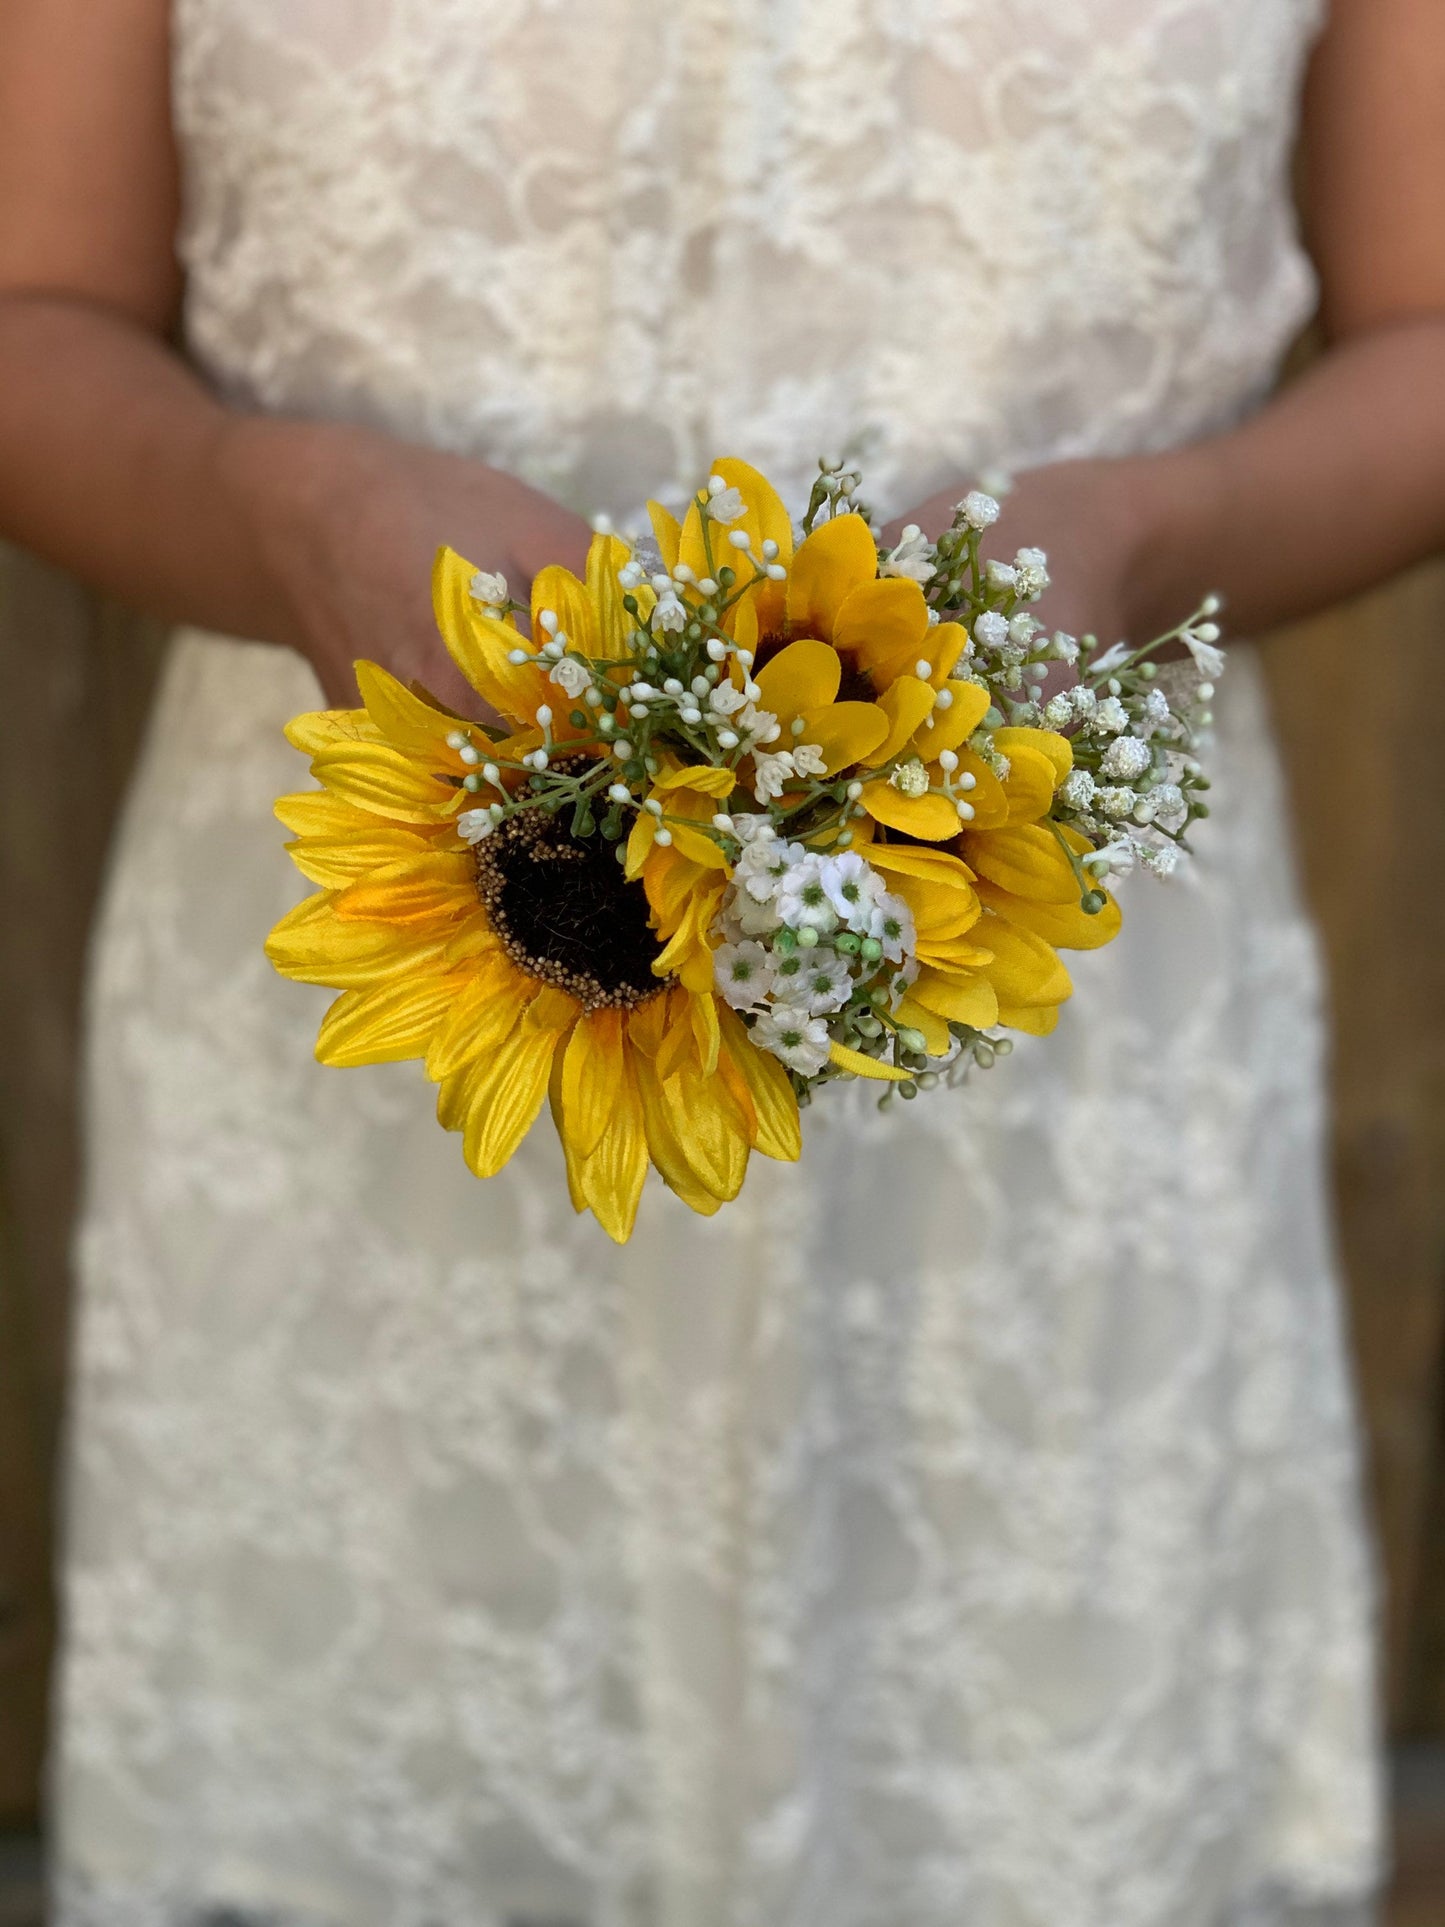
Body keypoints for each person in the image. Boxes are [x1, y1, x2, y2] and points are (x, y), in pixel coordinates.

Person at [1, 0, 1441, 1921]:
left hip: (1037, 1080)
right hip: (390, 1036)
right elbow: (34, 310)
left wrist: (1139, 536)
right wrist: (291, 521)